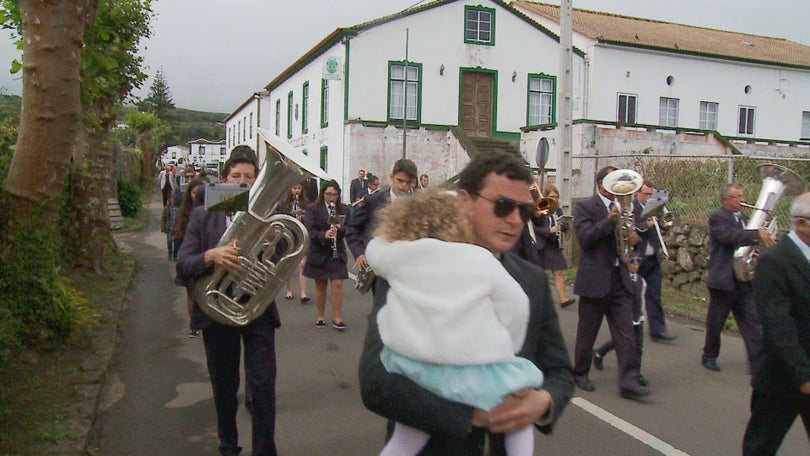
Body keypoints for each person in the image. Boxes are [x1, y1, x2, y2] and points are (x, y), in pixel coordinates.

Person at [359, 151, 574, 455]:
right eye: (502, 206)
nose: (514, 220)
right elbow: (376, 381)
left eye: (524, 211)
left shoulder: (532, 279)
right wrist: (471, 415)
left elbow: (560, 371)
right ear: (463, 200)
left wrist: (544, 401)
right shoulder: (414, 266)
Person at [176, 146, 280, 456]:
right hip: (217, 313)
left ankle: (264, 450)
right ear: (224, 180)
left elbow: (287, 252)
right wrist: (212, 255)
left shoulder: (267, 214)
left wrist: (275, 241)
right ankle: (228, 447)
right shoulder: (203, 214)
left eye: (250, 176)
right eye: (236, 176)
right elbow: (183, 262)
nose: (243, 182)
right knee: (225, 388)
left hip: (257, 310)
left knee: (262, 389)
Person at [571, 166, 649, 400]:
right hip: (595, 279)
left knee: (626, 333)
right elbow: (585, 239)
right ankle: (580, 373)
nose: (618, 188)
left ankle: (629, 381)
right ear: (599, 184)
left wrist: (635, 239)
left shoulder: (629, 207)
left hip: (620, 278)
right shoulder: (585, 207)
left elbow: (635, 244)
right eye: (612, 182)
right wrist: (608, 221)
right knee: (587, 332)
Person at [742, 192, 810, 455]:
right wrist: (803, 375)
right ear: (801, 223)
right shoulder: (775, 261)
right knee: (761, 446)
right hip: (781, 377)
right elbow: (778, 325)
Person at [701, 183, 772, 373]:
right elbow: (729, 236)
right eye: (738, 196)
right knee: (716, 322)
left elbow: (747, 240)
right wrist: (757, 234)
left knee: (752, 322)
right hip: (723, 279)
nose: (743, 199)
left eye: (742, 195)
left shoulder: (745, 218)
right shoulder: (717, 217)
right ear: (726, 200)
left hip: (743, 279)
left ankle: (757, 362)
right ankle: (709, 356)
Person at [346, 158, 418, 275]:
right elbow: (352, 228)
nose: (403, 186)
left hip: (407, 269)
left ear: (414, 182)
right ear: (392, 177)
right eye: (400, 180)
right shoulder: (373, 201)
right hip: (380, 270)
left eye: (408, 182)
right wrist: (359, 253)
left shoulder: (417, 205)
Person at [592, 255, 648, 386]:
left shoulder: (641, 281)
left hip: (638, 317)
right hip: (627, 317)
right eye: (632, 261)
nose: (635, 264)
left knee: (638, 345)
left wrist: (642, 315)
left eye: (638, 261)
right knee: (622, 341)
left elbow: (642, 299)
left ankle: (636, 372)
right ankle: (600, 352)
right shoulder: (622, 281)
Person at [303, 180, 350, 330]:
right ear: (323, 194)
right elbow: (310, 231)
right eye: (329, 194)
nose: (331, 197)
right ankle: (321, 316)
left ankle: (337, 317)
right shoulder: (313, 209)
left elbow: (348, 229)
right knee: (321, 284)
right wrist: (324, 235)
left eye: (335, 194)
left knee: (338, 283)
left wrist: (340, 229)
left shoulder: (342, 209)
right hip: (320, 250)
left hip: (337, 252)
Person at [633, 181, 677, 341]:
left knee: (655, 294)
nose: (649, 197)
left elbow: (663, 226)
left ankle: (658, 330)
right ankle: (632, 325)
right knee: (635, 294)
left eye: (651, 194)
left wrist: (663, 222)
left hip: (653, 258)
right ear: (638, 192)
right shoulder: (633, 208)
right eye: (646, 194)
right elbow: (632, 226)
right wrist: (646, 224)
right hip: (637, 258)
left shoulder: (654, 208)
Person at [172, 177, 206, 337]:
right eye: (194, 193)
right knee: (191, 292)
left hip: (206, 257)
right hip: (191, 256)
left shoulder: (211, 212)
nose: (197, 196)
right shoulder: (185, 212)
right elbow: (179, 235)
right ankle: (193, 323)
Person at [533, 184, 575, 308]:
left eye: (556, 197)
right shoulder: (539, 208)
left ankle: (563, 299)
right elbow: (535, 228)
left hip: (553, 244)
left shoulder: (558, 210)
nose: (554, 199)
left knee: (558, 272)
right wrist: (548, 230)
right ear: (545, 196)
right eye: (551, 196)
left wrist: (561, 227)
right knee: (538, 274)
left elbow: (565, 223)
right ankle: (537, 300)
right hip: (541, 244)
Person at [278, 182, 310, 304]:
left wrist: (302, 217)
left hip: (301, 235)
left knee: (302, 264)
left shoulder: (305, 204)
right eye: (294, 188)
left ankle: (303, 293)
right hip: (288, 236)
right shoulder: (284, 204)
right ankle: (289, 289)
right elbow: (281, 218)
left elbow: (310, 219)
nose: (297, 191)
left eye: (299, 188)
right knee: (289, 264)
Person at [161, 193, 179, 260]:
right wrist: (163, 227)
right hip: (169, 228)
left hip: (177, 228)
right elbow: (163, 218)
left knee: (176, 243)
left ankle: (175, 255)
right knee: (169, 241)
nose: (173, 200)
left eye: (174, 198)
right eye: (171, 198)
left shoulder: (178, 207)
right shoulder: (167, 208)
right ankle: (170, 253)